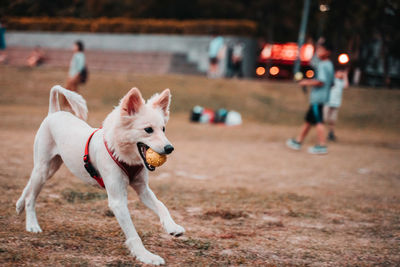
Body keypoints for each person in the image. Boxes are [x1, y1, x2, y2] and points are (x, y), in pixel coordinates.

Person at [286, 39, 334, 154]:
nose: (318, 52)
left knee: (318, 121)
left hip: (318, 98)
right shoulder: (329, 64)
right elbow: (330, 82)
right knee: (309, 120)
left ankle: (322, 145)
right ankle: (298, 141)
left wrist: (306, 82)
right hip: (321, 97)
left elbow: (321, 81)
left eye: (320, 50)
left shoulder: (323, 65)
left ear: (328, 52)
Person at [324, 68, 349, 141]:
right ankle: (321, 133)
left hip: (335, 103)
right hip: (328, 102)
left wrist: (345, 76)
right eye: (340, 72)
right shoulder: (333, 80)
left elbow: (346, 86)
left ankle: (331, 133)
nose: (341, 74)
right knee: (324, 118)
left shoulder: (341, 82)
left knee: (332, 120)